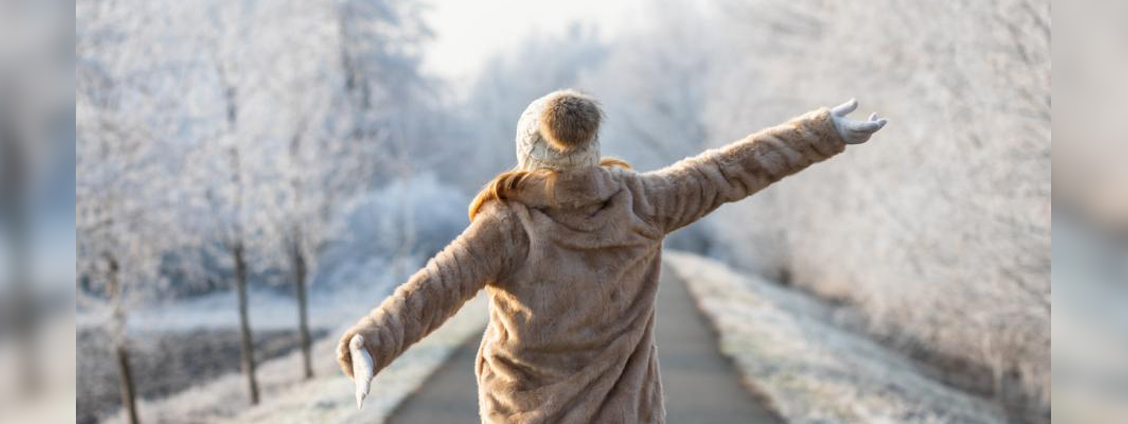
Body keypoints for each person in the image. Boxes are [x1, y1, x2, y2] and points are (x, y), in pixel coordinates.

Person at [337, 89, 887, 423]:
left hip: (520, 413)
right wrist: (822, 132)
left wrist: (371, 342)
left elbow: (435, 287)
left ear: (527, 153)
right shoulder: (644, 202)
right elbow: (731, 169)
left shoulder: (505, 224)